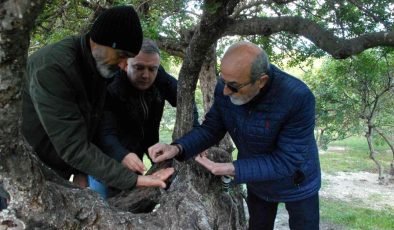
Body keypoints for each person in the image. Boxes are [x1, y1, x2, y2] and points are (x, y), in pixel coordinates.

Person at [148, 41, 321, 229]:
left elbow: (286, 160)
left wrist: (231, 168)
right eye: (223, 81)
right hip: (258, 182)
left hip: (298, 183)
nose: (225, 91)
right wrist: (177, 147)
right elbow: (211, 128)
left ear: (261, 81)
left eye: (233, 86)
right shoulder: (226, 87)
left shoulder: (297, 97)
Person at [22, 6, 174, 192]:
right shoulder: (54, 68)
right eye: (122, 56)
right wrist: (136, 180)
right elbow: (73, 145)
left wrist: (79, 171)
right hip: (19, 167)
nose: (124, 66)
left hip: (53, 169)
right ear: (99, 43)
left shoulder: (99, 66)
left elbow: (90, 123)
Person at [88, 39, 199, 198]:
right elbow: (105, 134)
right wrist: (122, 155)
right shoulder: (111, 87)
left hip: (144, 151)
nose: (146, 75)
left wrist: (194, 133)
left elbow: (186, 99)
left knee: (145, 201)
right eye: (139, 67)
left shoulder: (160, 77)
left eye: (152, 69)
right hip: (106, 162)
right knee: (106, 206)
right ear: (125, 64)